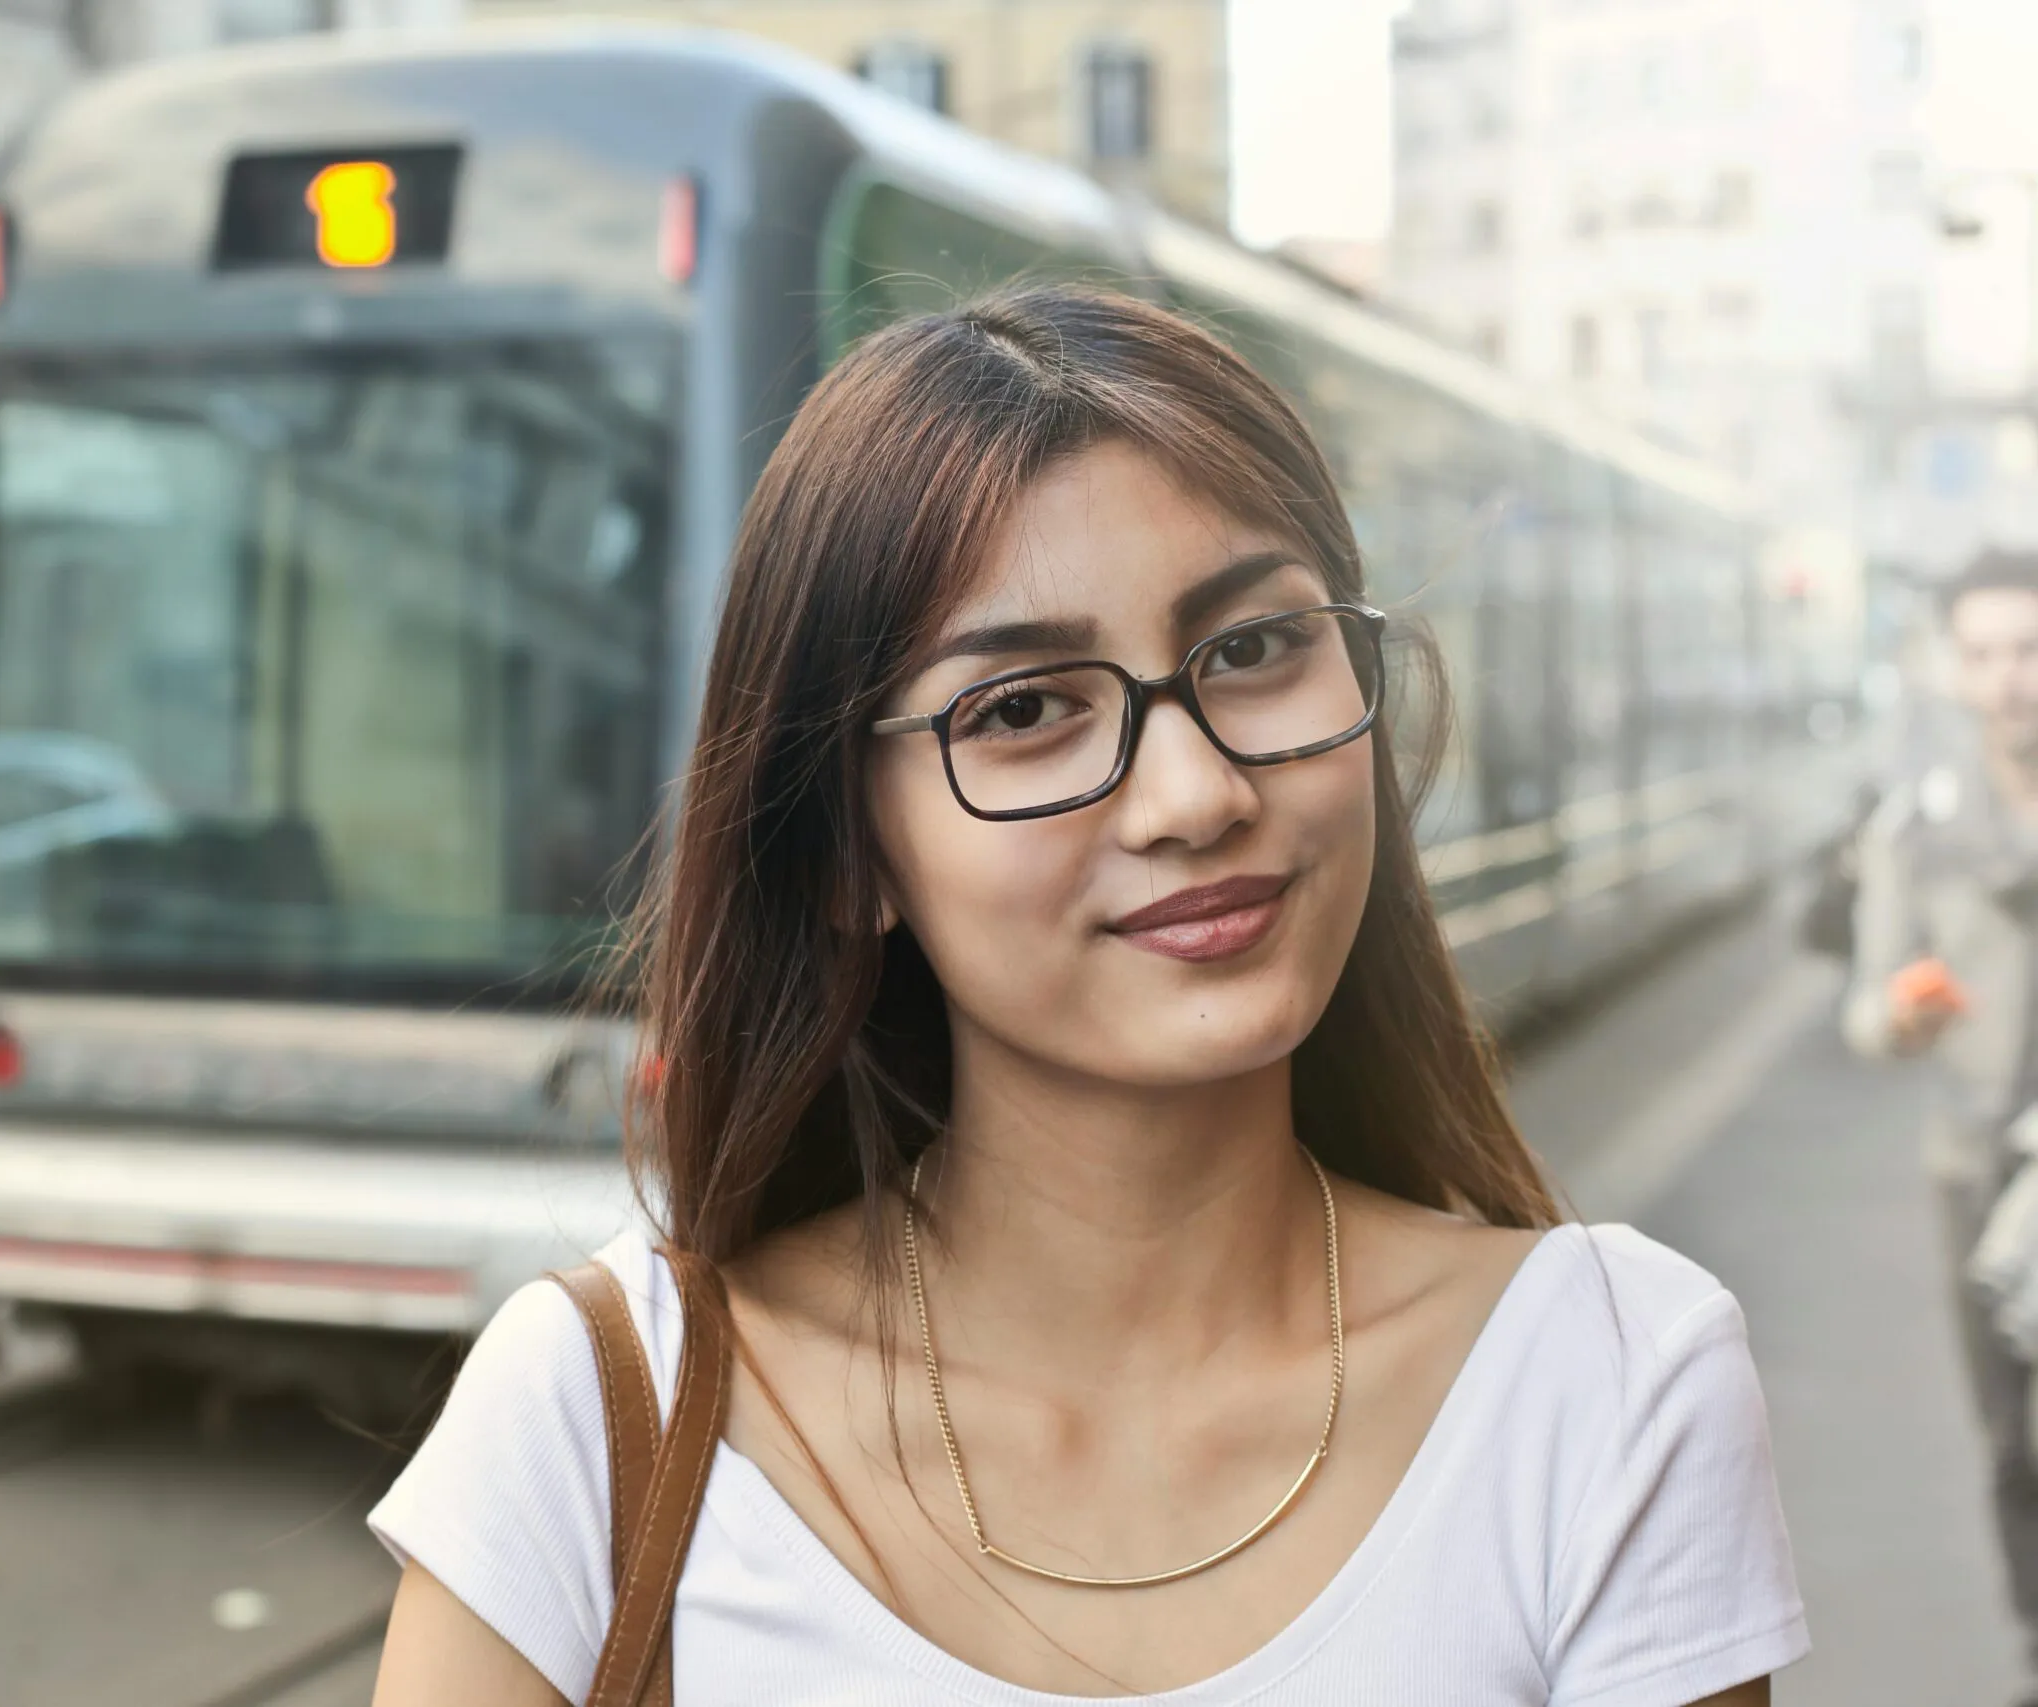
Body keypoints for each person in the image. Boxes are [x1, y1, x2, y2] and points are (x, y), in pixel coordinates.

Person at [369, 287, 1806, 1706]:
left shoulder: (1612, 1383)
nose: (1197, 793)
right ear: (847, 853)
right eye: (1022, 708)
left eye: (1252, 649)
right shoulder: (598, 1419)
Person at [1845, 546, 2038, 1696]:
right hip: (1978, 1169)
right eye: (1984, 654)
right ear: (1952, 667)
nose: (2008, 678)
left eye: (2027, 649)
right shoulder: (1916, 824)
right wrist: (1898, 1019)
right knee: (2014, 1438)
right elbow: (1865, 1004)